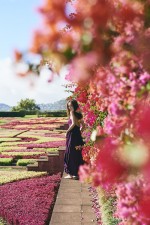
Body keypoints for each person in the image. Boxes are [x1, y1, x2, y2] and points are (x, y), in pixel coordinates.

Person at [64, 99, 85, 179]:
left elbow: (72, 124)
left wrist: (67, 131)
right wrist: (79, 131)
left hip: (72, 134)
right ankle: (77, 173)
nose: (70, 108)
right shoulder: (78, 114)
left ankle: (71, 173)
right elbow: (83, 125)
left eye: (71, 106)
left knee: (70, 153)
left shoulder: (72, 113)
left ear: (74, 106)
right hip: (77, 135)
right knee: (77, 153)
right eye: (68, 106)